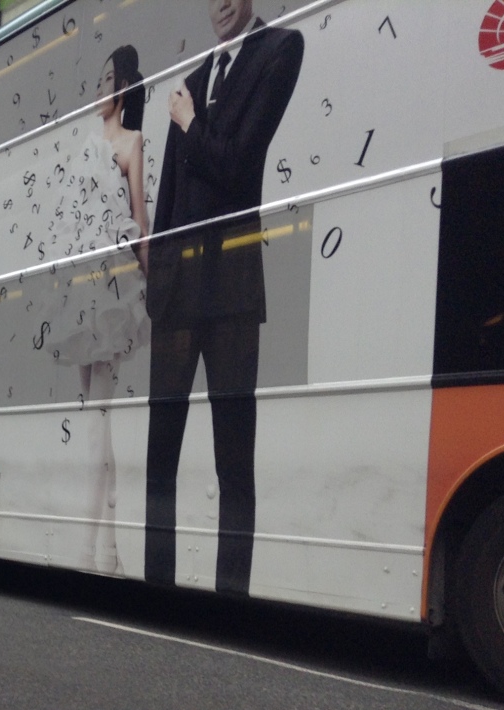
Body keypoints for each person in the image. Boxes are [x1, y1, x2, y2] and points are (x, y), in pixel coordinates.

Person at [144, 0, 303, 595]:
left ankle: (230, 595)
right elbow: (166, 199)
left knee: (234, 460)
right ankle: (154, 586)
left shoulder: (280, 51)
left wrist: (188, 123)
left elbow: (238, 166)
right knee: (160, 456)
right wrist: (158, 281)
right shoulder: (191, 81)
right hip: (178, 295)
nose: (221, 4)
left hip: (233, 288)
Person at [45, 46, 150, 574]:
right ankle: (105, 551)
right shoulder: (86, 144)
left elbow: (140, 220)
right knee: (95, 421)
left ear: (125, 88)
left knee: (98, 421)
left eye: (109, 79)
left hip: (112, 289)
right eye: (99, 78)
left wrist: (148, 281)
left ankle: (93, 551)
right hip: (82, 285)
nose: (100, 88)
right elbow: (69, 219)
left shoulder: (133, 143)